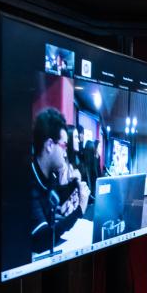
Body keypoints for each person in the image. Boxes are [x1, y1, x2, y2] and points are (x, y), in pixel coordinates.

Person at [31, 108, 90, 255]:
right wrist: (79, 210)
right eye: (64, 145)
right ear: (50, 145)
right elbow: (41, 241)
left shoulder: (51, 178)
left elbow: (53, 218)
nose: (66, 152)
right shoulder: (28, 181)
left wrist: (63, 211)